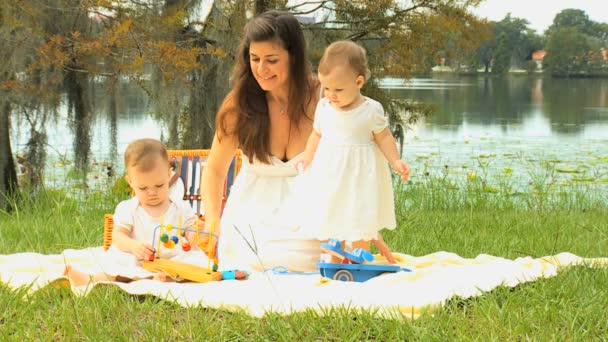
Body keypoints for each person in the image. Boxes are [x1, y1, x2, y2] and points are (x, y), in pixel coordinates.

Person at [200, 11, 323, 272]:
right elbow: (214, 169)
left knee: (313, 259)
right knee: (252, 260)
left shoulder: (323, 97)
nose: (261, 69)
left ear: (294, 57)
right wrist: (212, 219)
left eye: (272, 60)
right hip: (252, 214)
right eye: (254, 59)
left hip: (310, 212)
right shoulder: (239, 103)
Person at [294, 40, 410, 260]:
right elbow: (317, 134)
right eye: (326, 88)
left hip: (361, 176)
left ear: (359, 82)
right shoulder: (324, 108)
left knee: (361, 216)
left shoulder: (370, 109)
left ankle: (359, 258)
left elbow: (384, 136)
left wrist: (396, 161)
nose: (331, 94)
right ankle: (334, 260)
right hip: (330, 174)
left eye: (338, 89)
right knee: (330, 213)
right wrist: (308, 158)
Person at [65, 138, 209, 286]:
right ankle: (90, 279)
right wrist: (133, 246)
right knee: (117, 260)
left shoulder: (181, 207)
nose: (152, 192)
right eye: (143, 188)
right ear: (130, 182)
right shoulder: (128, 208)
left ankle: (164, 278)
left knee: (198, 262)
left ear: (168, 175)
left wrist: (197, 236)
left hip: (172, 261)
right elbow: (118, 236)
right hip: (139, 261)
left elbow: (191, 231)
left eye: (159, 185)